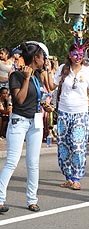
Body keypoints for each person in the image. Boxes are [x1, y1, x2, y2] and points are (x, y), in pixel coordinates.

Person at [0, 41, 52, 213]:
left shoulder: (37, 76)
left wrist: (43, 104)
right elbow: (20, 100)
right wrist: (27, 78)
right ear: (35, 58)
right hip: (19, 122)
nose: (44, 59)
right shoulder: (16, 76)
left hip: (34, 123)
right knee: (12, 162)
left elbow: (34, 97)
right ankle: (0, 199)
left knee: (33, 163)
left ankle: (32, 199)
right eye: (42, 57)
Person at [47, 43, 89, 190]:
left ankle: (77, 177)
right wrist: (48, 70)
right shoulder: (63, 69)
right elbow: (52, 86)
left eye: (81, 54)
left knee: (77, 146)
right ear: (69, 54)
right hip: (63, 112)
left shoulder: (88, 71)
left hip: (80, 113)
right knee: (64, 146)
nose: (78, 57)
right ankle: (68, 177)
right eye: (75, 54)